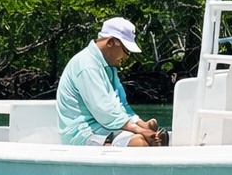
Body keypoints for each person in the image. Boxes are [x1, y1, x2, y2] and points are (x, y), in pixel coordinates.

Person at [55, 17, 167, 147]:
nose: (127, 56)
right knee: (139, 143)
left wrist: (140, 124)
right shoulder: (87, 65)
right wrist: (139, 130)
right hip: (82, 134)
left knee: (144, 139)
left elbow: (122, 105)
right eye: (126, 50)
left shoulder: (109, 68)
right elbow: (103, 111)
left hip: (105, 127)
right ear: (110, 42)